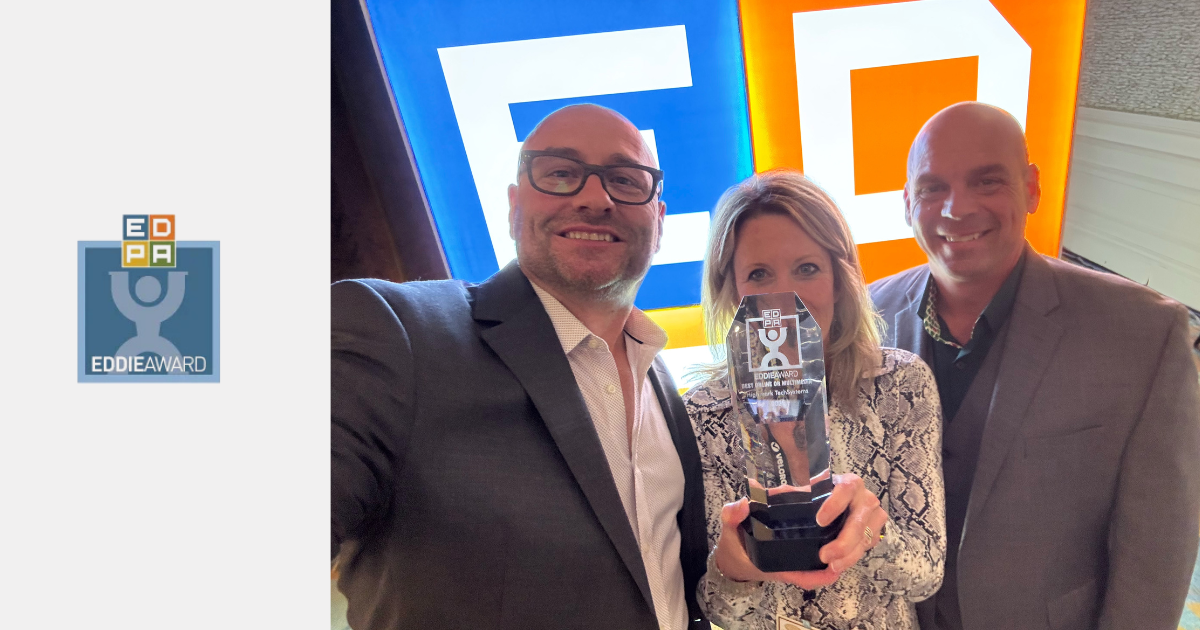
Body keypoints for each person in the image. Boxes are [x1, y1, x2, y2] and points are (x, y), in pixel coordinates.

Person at [331, 104, 710, 630]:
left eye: (625, 180)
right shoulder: (402, 334)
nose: (594, 198)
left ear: (659, 220)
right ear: (513, 206)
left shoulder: (664, 380)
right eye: (560, 172)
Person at [869, 101, 1200, 630]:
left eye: (988, 182)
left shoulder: (1142, 334)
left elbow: (1159, 545)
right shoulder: (862, 320)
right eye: (933, 188)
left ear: (1033, 189)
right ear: (908, 203)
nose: (957, 209)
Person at [686, 169, 946, 630]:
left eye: (807, 268)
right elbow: (718, 612)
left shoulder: (899, 385)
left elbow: (925, 576)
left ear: (839, 278)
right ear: (730, 289)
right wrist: (735, 571)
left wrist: (869, 535)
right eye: (758, 273)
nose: (785, 295)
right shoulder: (703, 414)